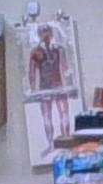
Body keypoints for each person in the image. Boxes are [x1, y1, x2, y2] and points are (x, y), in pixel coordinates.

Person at [28, 23, 72, 154]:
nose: (46, 35)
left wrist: (68, 85)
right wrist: (33, 90)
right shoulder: (36, 52)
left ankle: (65, 141)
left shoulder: (58, 49)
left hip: (58, 85)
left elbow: (65, 68)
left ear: (51, 33)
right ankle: (51, 144)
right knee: (47, 117)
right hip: (44, 87)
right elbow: (32, 72)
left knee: (64, 114)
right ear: (39, 35)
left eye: (47, 32)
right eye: (43, 32)